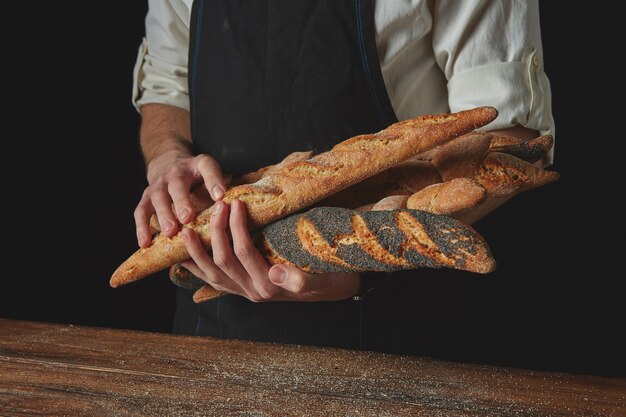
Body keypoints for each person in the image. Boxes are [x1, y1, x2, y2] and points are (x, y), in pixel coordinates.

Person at [131, 0, 555, 352]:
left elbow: (511, 139)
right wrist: (168, 158)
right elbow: (167, 87)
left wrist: (358, 263)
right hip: (215, 333)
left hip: (402, 337)